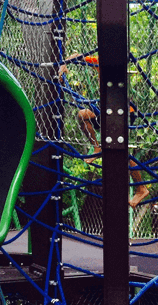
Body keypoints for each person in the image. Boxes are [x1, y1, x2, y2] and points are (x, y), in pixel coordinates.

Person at [62, 55, 150, 209]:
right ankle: (96, 147)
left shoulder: (117, 71)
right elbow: (78, 56)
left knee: (121, 149)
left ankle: (141, 188)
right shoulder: (101, 63)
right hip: (107, 110)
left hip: (124, 111)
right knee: (83, 115)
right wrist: (63, 66)